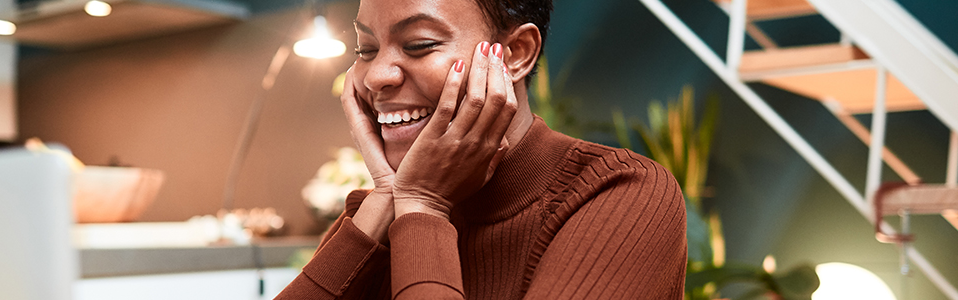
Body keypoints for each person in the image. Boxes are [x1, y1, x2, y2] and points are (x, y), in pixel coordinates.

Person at [277, 0, 686, 298]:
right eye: (366, 50)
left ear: (515, 54)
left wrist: (424, 207)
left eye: (419, 44)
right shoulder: (373, 216)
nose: (376, 76)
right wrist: (389, 197)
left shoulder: (621, 194)